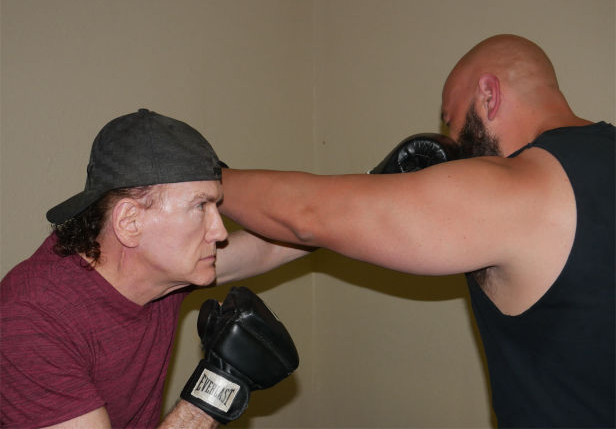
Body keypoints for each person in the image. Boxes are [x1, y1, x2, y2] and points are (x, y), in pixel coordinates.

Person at [217, 34, 615, 427]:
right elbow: (312, 233)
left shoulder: (522, 185)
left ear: (489, 95)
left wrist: (196, 176)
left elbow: (307, 216)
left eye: (452, 118)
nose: (452, 141)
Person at [0, 109, 299, 428]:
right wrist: (216, 389)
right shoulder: (29, 323)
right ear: (129, 222)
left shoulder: (160, 271)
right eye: (200, 207)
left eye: (215, 206)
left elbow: (273, 245)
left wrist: (352, 205)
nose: (219, 231)